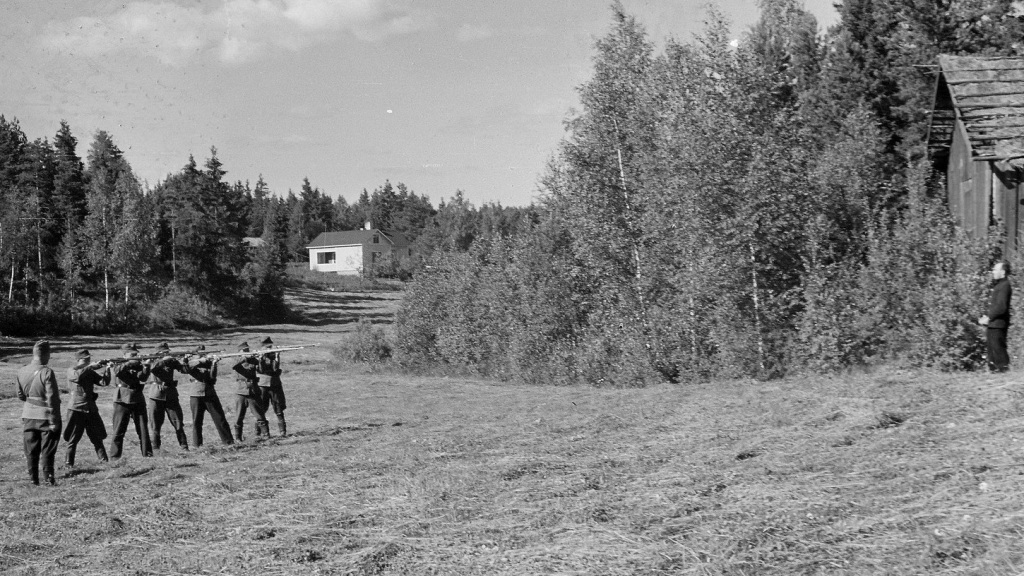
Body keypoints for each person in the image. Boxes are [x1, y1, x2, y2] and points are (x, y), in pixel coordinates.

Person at [16, 340, 62, 485]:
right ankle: (48, 478)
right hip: (45, 417)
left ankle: (33, 479)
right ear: (47, 354)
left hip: (28, 415)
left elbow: (20, 395)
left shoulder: (22, 370)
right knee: (48, 449)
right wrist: (54, 420)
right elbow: (52, 398)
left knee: (30, 449)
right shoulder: (47, 372)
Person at [63, 349, 110, 467]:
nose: (89, 360)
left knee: (97, 436)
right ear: (78, 360)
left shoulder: (89, 371)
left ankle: (104, 460)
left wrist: (108, 369)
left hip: (90, 408)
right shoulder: (72, 370)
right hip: (76, 408)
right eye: (86, 359)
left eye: (89, 358)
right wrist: (90, 367)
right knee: (73, 438)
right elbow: (77, 377)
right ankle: (68, 463)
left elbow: (103, 382)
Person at [109, 342, 154, 459]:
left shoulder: (138, 364)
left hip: (137, 398)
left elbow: (142, 377)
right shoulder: (118, 362)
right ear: (125, 354)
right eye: (132, 354)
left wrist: (146, 366)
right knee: (118, 429)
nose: (135, 356)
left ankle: (147, 454)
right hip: (121, 399)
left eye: (136, 354)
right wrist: (129, 362)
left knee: (143, 429)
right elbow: (118, 372)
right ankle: (115, 457)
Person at [183, 345, 234, 447]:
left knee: (220, 419)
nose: (203, 354)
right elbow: (187, 369)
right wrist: (201, 360)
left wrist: (214, 364)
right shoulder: (190, 362)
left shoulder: (208, 362)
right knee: (197, 421)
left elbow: (212, 377)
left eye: (203, 352)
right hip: (196, 394)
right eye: (200, 353)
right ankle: (197, 445)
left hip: (209, 393)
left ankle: (228, 442)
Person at [144, 342, 189, 452]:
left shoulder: (171, 361)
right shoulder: (152, 360)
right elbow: (152, 369)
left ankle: (184, 446)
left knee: (178, 421)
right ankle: (155, 447)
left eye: (167, 351)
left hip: (171, 394)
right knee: (155, 423)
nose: (167, 353)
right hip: (156, 395)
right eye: (165, 352)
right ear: (158, 352)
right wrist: (164, 360)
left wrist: (185, 361)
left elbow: (185, 371)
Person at [230, 341, 269, 441]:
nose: (248, 351)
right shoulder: (236, 359)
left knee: (259, 414)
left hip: (253, 390)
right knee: (239, 416)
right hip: (240, 391)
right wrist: (245, 357)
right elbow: (234, 365)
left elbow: (261, 369)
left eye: (248, 350)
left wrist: (261, 359)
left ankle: (265, 435)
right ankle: (238, 438)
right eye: (245, 350)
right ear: (240, 351)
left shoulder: (252, 360)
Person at [980, 259, 1013, 372]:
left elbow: (1001, 307)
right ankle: (994, 371)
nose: (993, 271)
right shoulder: (1000, 285)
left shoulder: (1005, 285)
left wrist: (989, 317)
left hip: (998, 324)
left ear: (1003, 272)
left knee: (999, 351)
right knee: (992, 353)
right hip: (994, 324)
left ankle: (1004, 371)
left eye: (995, 269)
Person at [256, 336, 288, 437]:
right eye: (267, 347)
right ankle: (261, 431)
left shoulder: (273, 354)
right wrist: (261, 358)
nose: (269, 349)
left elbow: (275, 368)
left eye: (270, 347)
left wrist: (277, 356)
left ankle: (282, 431)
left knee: (278, 407)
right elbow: (260, 369)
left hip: (274, 384)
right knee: (262, 408)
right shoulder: (258, 355)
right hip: (262, 384)